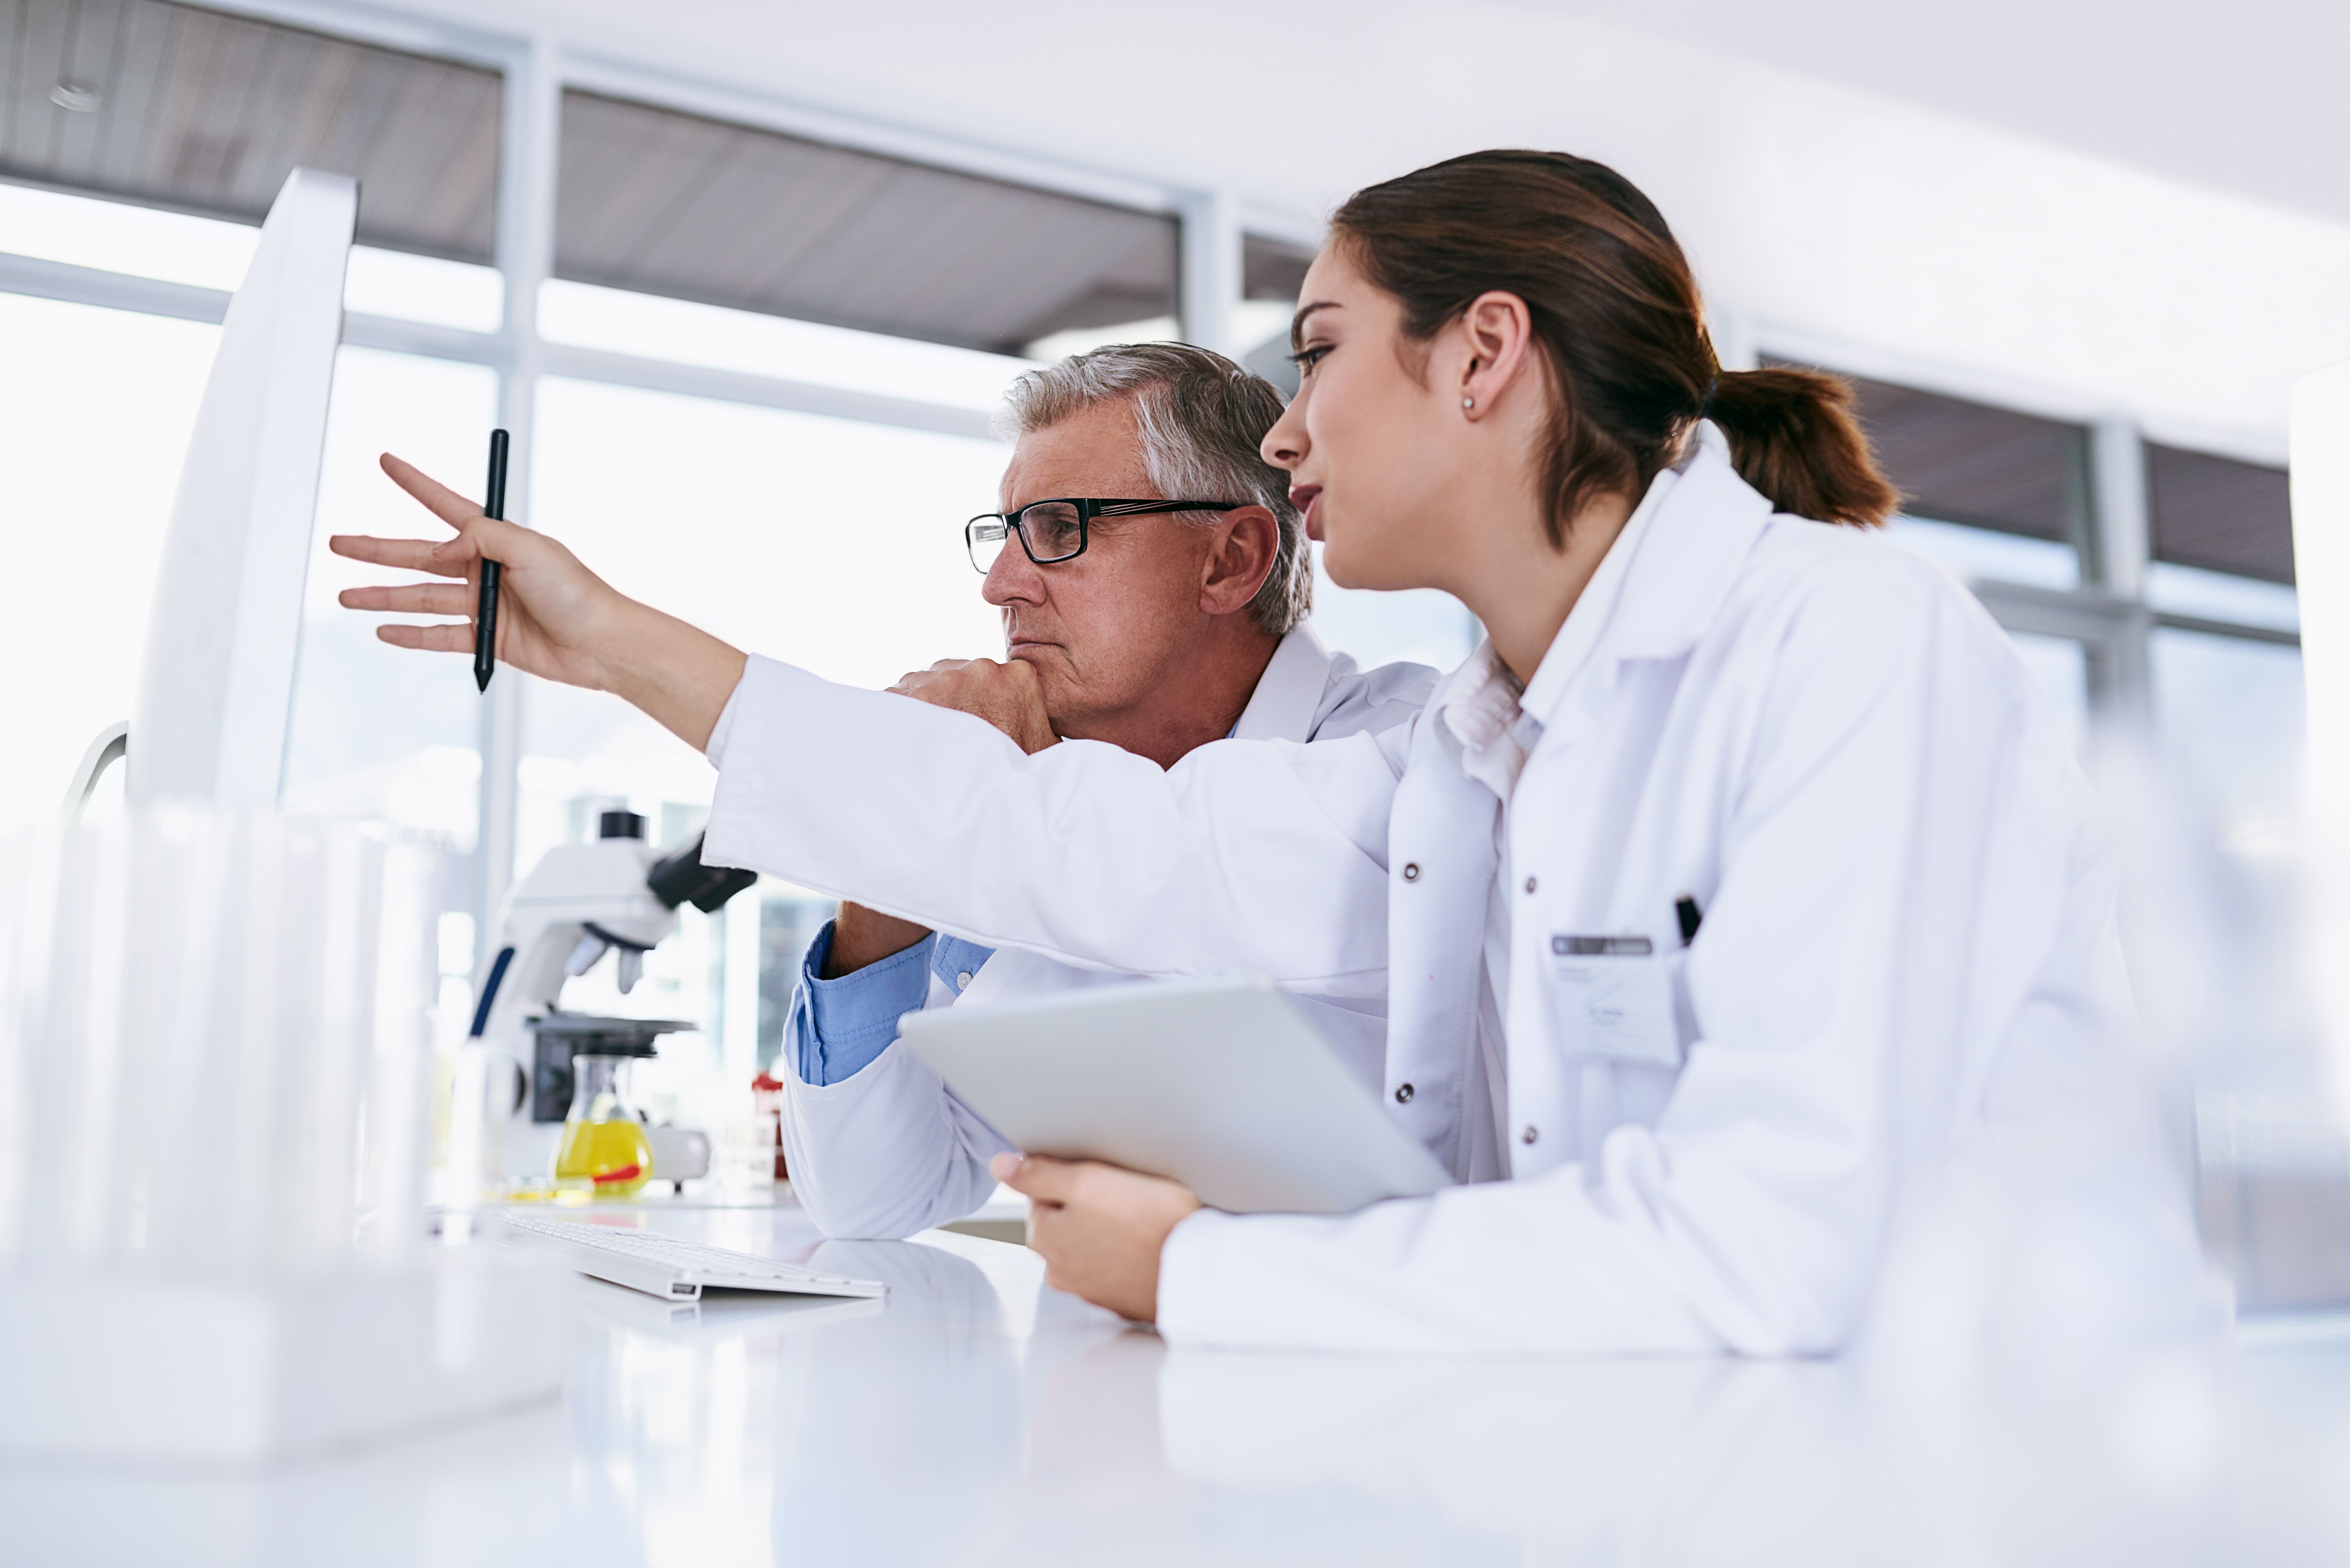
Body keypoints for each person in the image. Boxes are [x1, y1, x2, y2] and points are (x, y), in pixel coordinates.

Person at [337, 149, 2202, 1356]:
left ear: (1483, 358)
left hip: (2006, 1488)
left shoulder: (1852, 651)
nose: (1292, 435)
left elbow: (1759, 1253)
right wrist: (620, 644)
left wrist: (1196, 1273)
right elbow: (1082, 853)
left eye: (1318, 358)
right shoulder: (1478, 751)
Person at [772, 344, 1432, 1238]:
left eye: (1058, 529)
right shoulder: (1022, 778)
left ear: (1230, 560)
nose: (1001, 585)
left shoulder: (1406, 756)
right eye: (1003, 534)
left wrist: (984, 809)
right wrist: (891, 852)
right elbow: (875, 1202)